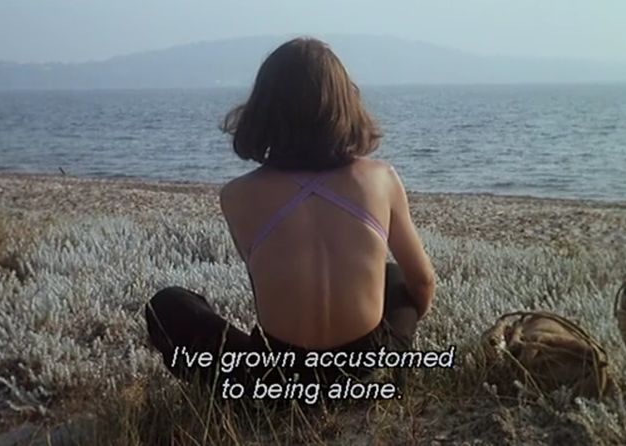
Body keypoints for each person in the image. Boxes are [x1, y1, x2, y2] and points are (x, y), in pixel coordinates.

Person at [145, 37, 436, 394]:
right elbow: (423, 284)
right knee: (396, 278)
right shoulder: (381, 178)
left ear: (263, 109)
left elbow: (264, 288)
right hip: (365, 368)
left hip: (278, 381)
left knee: (168, 306)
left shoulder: (237, 195)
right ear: (346, 103)